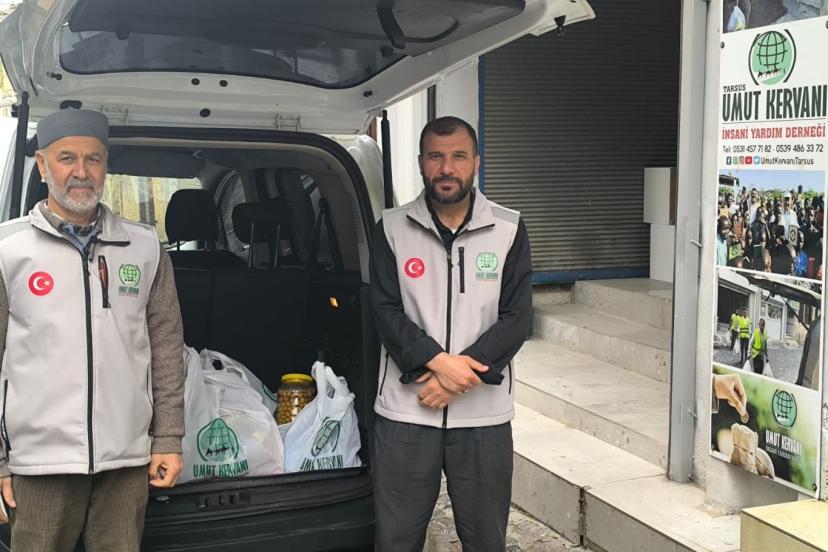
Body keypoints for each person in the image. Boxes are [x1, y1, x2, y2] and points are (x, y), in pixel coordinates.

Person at [0, 109, 185, 551]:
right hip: (38, 465)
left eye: (94, 159)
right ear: (42, 165)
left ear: (105, 166)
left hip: (126, 459)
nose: (81, 172)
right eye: (67, 158)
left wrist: (169, 437)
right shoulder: (8, 249)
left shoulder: (145, 248)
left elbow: (166, 348)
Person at [369, 116, 532, 551]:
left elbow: (517, 317)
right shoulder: (391, 228)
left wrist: (456, 380)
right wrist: (440, 363)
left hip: (483, 418)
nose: (446, 168)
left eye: (459, 156)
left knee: (486, 540)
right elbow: (385, 310)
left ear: (476, 162)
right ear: (420, 163)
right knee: (395, 540)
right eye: (435, 157)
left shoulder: (508, 229)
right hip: (406, 413)